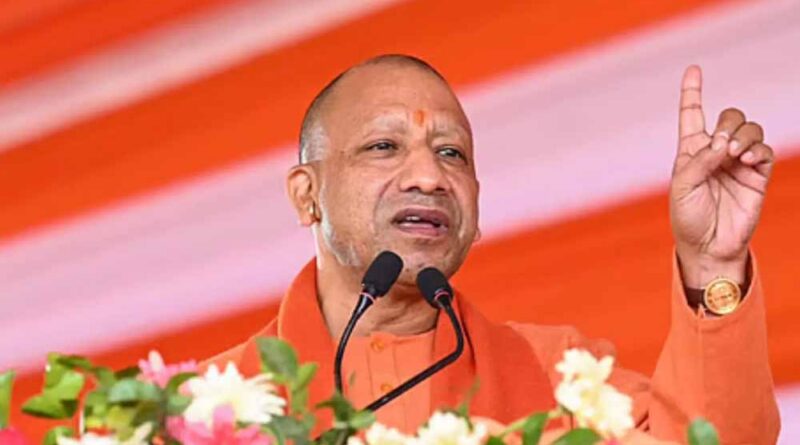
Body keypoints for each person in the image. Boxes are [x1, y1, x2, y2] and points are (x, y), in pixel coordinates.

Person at [204, 55, 780, 444]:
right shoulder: (201, 410)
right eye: (383, 146)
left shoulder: (565, 381)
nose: (429, 177)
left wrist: (713, 263)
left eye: (451, 154)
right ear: (307, 196)